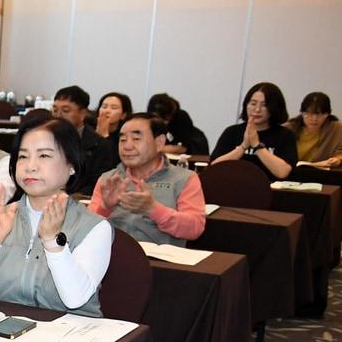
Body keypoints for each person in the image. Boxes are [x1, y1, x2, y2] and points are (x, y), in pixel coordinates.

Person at [0, 117, 112, 315]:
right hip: (4, 329)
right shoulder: (2, 217)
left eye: (44, 156)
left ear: (71, 165)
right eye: (23, 156)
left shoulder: (94, 226)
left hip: (66, 337)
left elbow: (75, 299)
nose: (31, 166)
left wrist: (53, 244)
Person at [89, 113, 206, 246]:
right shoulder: (109, 179)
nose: (127, 146)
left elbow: (195, 228)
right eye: (122, 140)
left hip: (160, 262)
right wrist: (105, 207)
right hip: (113, 259)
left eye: (136, 139)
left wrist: (152, 209)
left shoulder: (184, 179)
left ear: (159, 142)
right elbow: (85, 230)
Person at [210, 82, 297, 180]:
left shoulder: (285, 135)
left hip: (271, 192)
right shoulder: (232, 132)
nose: (257, 109)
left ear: (274, 108)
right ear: (246, 105)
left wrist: (257, 146)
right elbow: (214, 167)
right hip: (232, 188)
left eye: (264, 105)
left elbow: (282, 172)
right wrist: (243, 147)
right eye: (253, 103)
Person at [52, 85, 116, 187]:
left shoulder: (99, 145)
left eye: (65, 111)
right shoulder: (45, 139)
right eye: (55, 110)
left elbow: (98, 184)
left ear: (82, 113)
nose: (58, 116)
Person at [285, 91, 342, 168]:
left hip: (321, 174)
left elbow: (340, 153)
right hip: (292, 172)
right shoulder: (289, 128)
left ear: (327, 114)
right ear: (302, 113)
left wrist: (337, 159)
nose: (314, 119)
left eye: (320, 114)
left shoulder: (336, 129)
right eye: (309, 113)